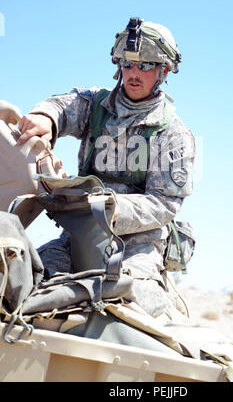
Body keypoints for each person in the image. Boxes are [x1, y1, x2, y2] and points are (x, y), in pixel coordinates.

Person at [17, 17, 196, 321]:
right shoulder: (96, 105)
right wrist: (45, 118)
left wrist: (111, 208)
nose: (134, 73)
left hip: (137, 250)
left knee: (129, 305)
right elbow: (63, 105)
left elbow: (165, 203)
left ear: (163, 71)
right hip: (76, 238)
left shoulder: (174, 134)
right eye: (128, 64)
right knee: (29, 282)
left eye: (145, 65)